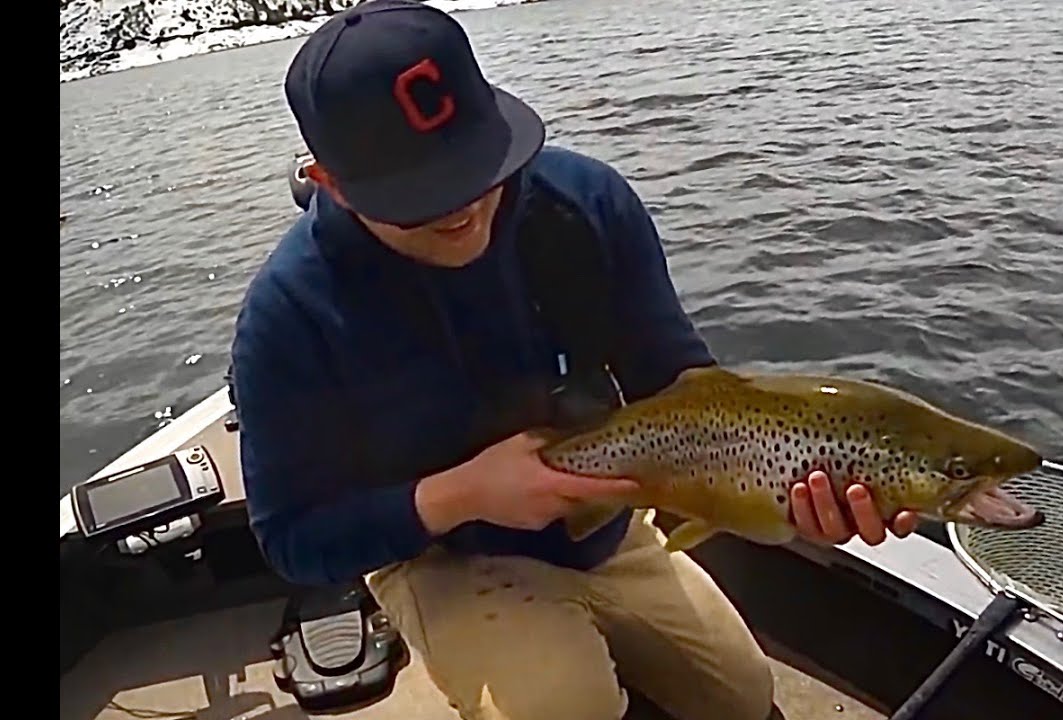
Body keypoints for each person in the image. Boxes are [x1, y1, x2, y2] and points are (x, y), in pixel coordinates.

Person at [230, 2, 919, 719]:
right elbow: (292, 537)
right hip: (445, 554)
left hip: (611, 522)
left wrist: (790, 491)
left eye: (475, 166)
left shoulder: (587, 203)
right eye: (420, 196)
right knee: (567, 706)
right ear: (331, 183)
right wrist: (464, 493)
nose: (463, 206)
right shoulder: (289, 316)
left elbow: (679, 380)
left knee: (742, 696)